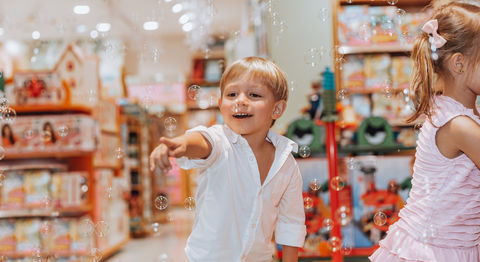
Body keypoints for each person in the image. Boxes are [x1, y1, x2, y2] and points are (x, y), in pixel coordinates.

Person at [150, 57, 306, 262]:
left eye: (254, 94)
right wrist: (182, 144)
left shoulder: (286, 162)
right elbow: (202, 140)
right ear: (221, 104)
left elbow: (291, 223)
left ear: (276, 109)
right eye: (232, 94)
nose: (240, 100)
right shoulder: (220, 142)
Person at [370, 2, 480, 261]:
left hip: (445, 243)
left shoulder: (447, 109)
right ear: (459, 63)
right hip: (432, 251)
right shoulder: (459, 126)